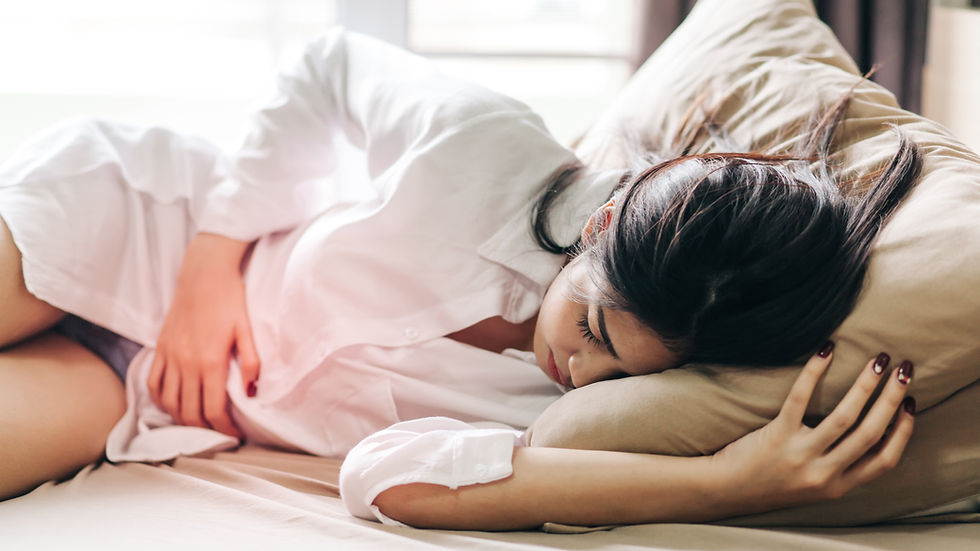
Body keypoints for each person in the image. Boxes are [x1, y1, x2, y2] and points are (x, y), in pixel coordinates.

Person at [0, 29, 915, 529]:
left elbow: (386, 478)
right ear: (600, 228)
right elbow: (327, 67)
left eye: (628, 372)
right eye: (594, 330)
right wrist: (210, 266)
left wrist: (723, 484)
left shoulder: (599, 409)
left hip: (156, 397)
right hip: (143, 228)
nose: (581, 372)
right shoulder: (490, 149)